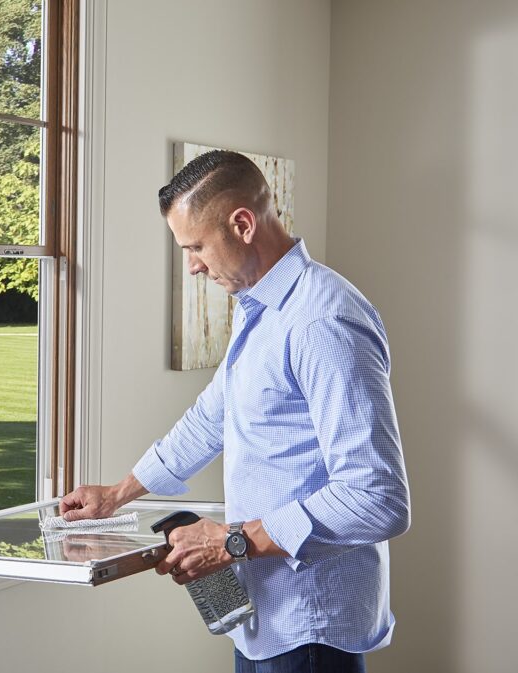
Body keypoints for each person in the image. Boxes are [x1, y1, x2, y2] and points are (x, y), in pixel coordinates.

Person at [60, 150, 411, 673]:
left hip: (310, 624)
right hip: (262, 615)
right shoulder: (261, 310)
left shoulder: (321, 321)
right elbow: (210, 419)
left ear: (243, 224)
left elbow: (377, 499)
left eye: (196, 246)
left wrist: (230, 542)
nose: (193, 265)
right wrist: (117, 494)